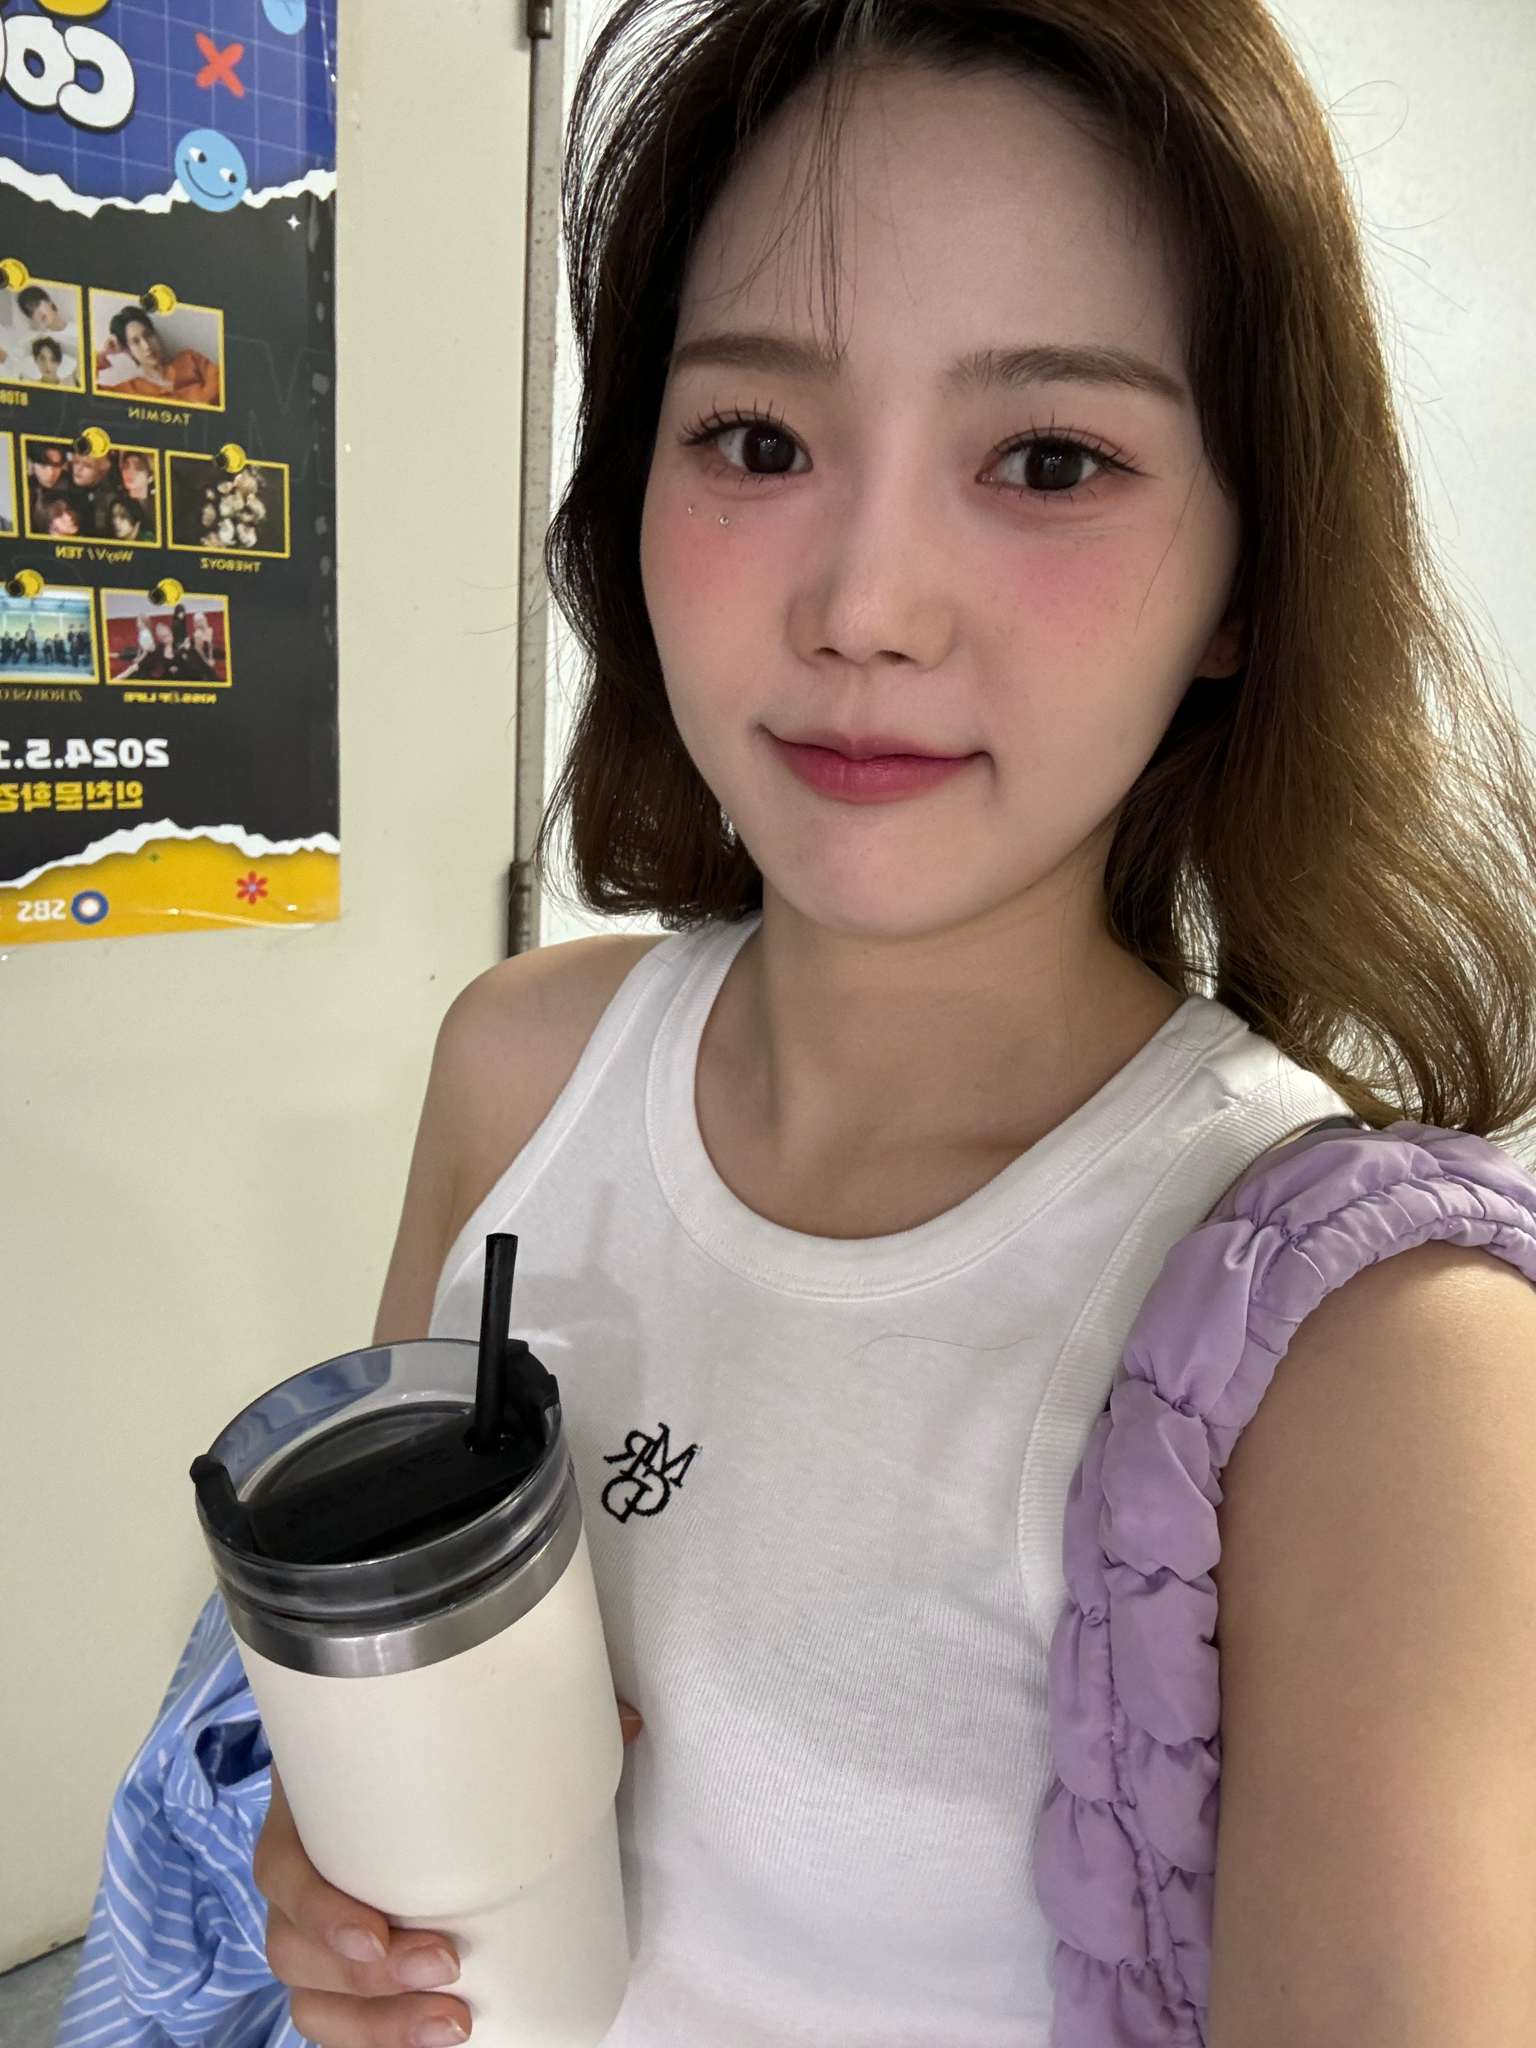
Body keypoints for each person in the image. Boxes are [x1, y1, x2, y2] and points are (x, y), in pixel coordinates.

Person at [78, 5, 1536, 2047]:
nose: (866, 603)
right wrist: (336, 1888)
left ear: (1244, 577)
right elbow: (384, 1722)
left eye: (1051, 459)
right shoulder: (518, 1065)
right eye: (759, 440)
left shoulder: (1376, 1362)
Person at [97, 304, 221, 406]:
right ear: (128, 350)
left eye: (148, 335)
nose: (147, 346)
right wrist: (101, 354)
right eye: (136, 342)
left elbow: (221, 381)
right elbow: (89, 397)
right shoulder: (130, 390)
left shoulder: (189, 359)